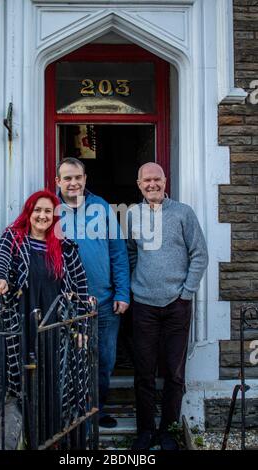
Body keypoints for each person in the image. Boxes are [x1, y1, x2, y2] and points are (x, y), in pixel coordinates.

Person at [127, 163, 208, 450]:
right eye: (146, 180)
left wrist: (186, 293)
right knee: (144, 372)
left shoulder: (183, 213)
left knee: (174, 373)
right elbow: (131, 253)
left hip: (177, 304)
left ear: (165, 180)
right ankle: (145, 431)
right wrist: (138, 284)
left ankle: (169, 431)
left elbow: (200, 255)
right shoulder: (132, 214)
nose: (152, 184)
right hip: (143, 305)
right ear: (139, 184)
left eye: (157, 179)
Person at [0, 190, 89, 419]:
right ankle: (29, 426)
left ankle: (54, 428)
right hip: (22, 319)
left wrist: (81, 328)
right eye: (37, 210)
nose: (42, 216)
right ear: (29, 213)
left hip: (56, 322)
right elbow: (0, 258)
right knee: (23, 375)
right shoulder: (13, 237)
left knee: (56, 375)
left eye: (47, 211)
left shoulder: (65, 247)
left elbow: (81, 285)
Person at [55, 157, 130, 428]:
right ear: (58, 182)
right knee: (68, 360)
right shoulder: (47, 208)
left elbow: (118, 252)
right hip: (64, 303)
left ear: (85, 179)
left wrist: (122, 293)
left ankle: (95, 410)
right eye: (67, 178)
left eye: (78, 177)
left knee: (103, 360)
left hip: (104, 301)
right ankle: (70, 414)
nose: (73, 183)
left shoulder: (101, 207)